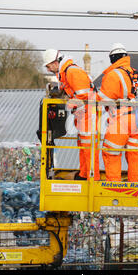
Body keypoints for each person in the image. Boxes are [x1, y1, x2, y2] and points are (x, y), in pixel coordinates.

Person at [42, 49, 100, 180]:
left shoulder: (72, 72)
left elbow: (84, 96)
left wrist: (69, 104)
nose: (48, 69)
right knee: (84, 146)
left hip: (87, 113)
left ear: (56, 62)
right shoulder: (65, 73)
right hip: (83, 114)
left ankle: (92, 177)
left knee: (88, 147)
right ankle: (85, 174)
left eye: (48, 66)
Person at [97, 43, 138, 182]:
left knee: (111, 152)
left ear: (112, 58)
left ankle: (114, 186)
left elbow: (103, 100)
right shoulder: (137, 74)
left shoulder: (113, 75)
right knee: (134, 154)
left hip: (122, 120)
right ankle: (135, 185)